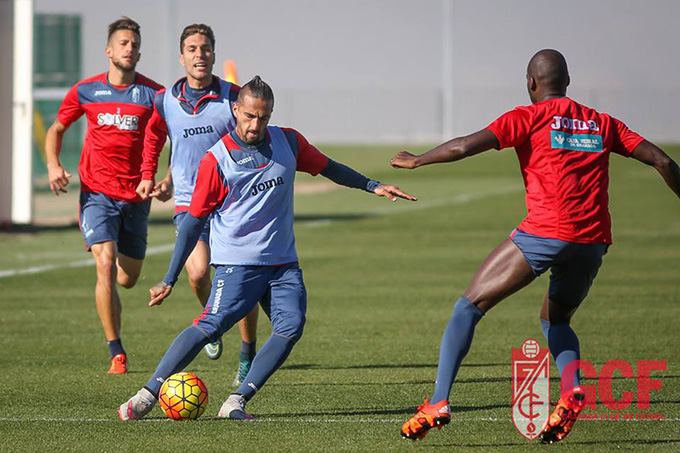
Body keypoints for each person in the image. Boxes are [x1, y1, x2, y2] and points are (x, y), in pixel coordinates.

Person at [392, 49, 680, 443]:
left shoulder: (527, 117)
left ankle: (438, 401)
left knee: (469, 306)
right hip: (593, 241)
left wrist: (417, 161)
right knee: (556, 320)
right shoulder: (601, 122)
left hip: (544, 234)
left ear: (531, 83)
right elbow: (663, 161)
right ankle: (571, 391)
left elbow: (463, 146)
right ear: (567, 82)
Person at [118, 76, 417, 421]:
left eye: (262, 117)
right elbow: (192, 222)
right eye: (248, 116)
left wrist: (373, 186)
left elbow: (329, 167)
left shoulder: (288, 142)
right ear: (235, 110)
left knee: (291, 326)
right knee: (210, 326)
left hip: (282, 264)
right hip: (236, 265)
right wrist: (169, 278)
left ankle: (236, 401)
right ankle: (147, 393)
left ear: (271, 114)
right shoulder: (217, 160)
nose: (254, 125)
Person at [135, 23, 258, 384]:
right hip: (190, 203)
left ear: (213, 54)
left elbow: (254, 134)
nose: (199, 55)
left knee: (242, 282)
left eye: (205, 48)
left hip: (234, 204)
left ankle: (247, 354)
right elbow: (155, 135)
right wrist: (149, 173)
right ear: (182, 56)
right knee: (199, 273)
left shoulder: (233, 97)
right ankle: (214, 323)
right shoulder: (166, 100)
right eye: (192, 49)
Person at [45, 17, 164, 374]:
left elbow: (179, 137)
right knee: (104, 264)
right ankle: (117, 353)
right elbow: (57, 128)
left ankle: (112, 264)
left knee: (126, 278)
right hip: (97, 193)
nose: (130, 49)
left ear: (139, 52)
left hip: (137, 197)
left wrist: (168, 179)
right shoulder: (85, 91)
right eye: (123, 43)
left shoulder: (154, 95)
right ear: (109, 50)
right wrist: (53, 165)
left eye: (135, 44)